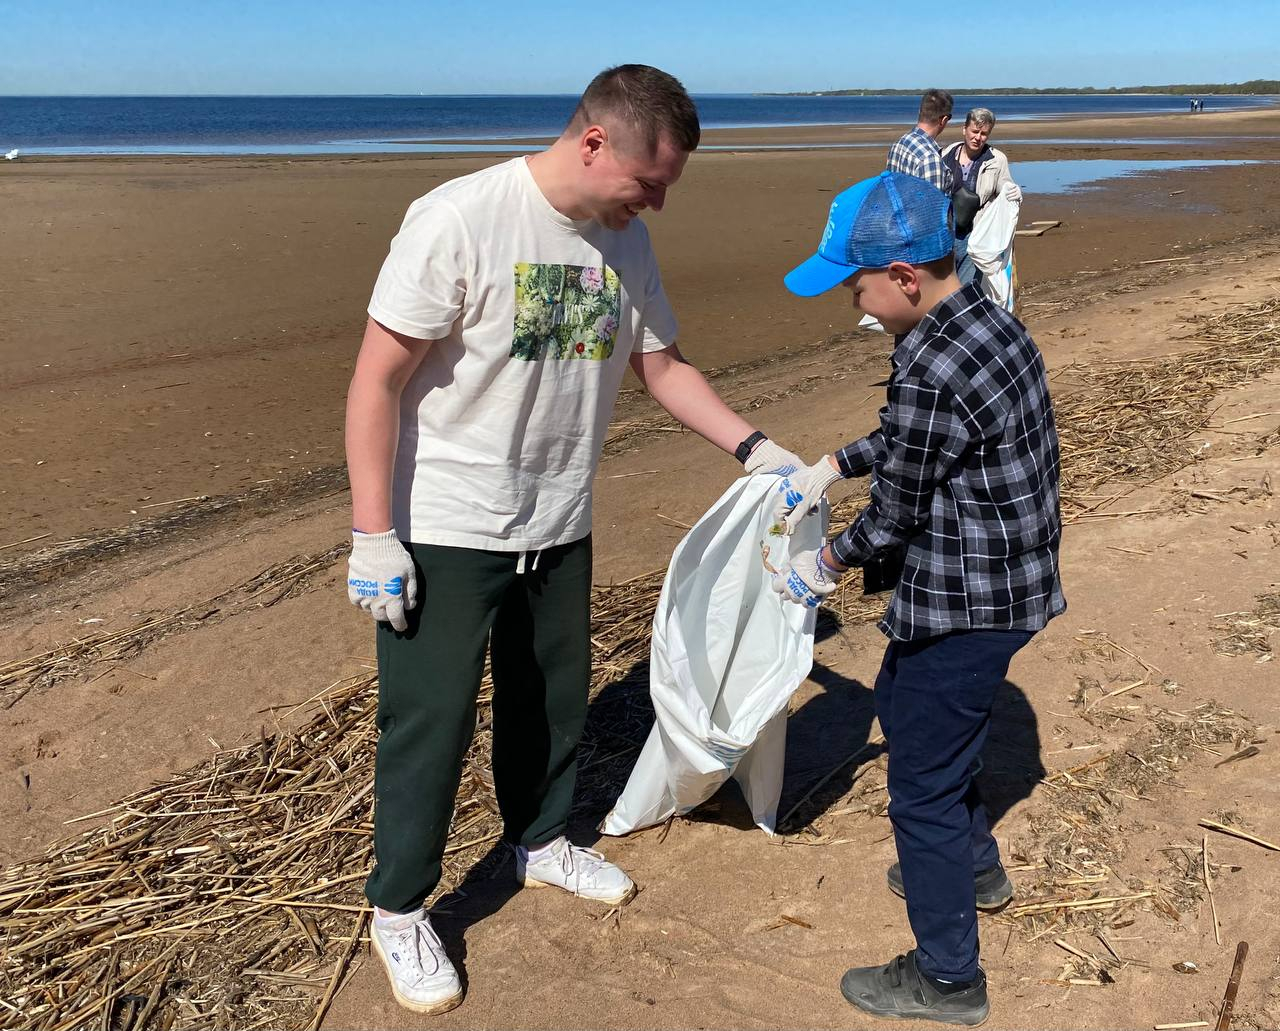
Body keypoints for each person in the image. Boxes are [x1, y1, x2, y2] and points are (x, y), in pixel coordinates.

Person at [344, 64, 805, 1015]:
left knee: (552, 701)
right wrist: (372, 532)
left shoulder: (622, 243)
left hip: (558, 522)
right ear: (593, 142)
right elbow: (375, 382)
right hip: (445, 527)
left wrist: (755, 448)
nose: (658, 204)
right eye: (650, 181)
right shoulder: (459, 219)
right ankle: (399, 908)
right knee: (429, 725)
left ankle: (544, 837)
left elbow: (662, 367)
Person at [771, 170, 1065, 1025]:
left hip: (968, 595)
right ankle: (974, 864)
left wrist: (820, 562)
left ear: (904, 278)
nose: (850, 303)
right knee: (904, 703)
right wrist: (835, 461)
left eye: (854, 287)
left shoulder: (929, 360)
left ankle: (947, 979)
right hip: (1009, 580)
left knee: (922, 788)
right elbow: (917, 434)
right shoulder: (982, 321)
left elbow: (896, 512)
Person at [940, 107, 1022, 287]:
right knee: (943, 288)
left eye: (984, 133)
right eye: (975, 131)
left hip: (975, 236)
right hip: (944, 234)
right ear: (964, 129)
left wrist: (1014, 192)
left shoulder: (996, 159)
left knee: (967, 290)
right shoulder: (946, 153)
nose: (978, 137)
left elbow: (1005, 188)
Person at [886, 89, 954, 193]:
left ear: (920, 111)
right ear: (943, 120)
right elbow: (934, 207)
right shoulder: (930, 159)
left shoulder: (899, 144)